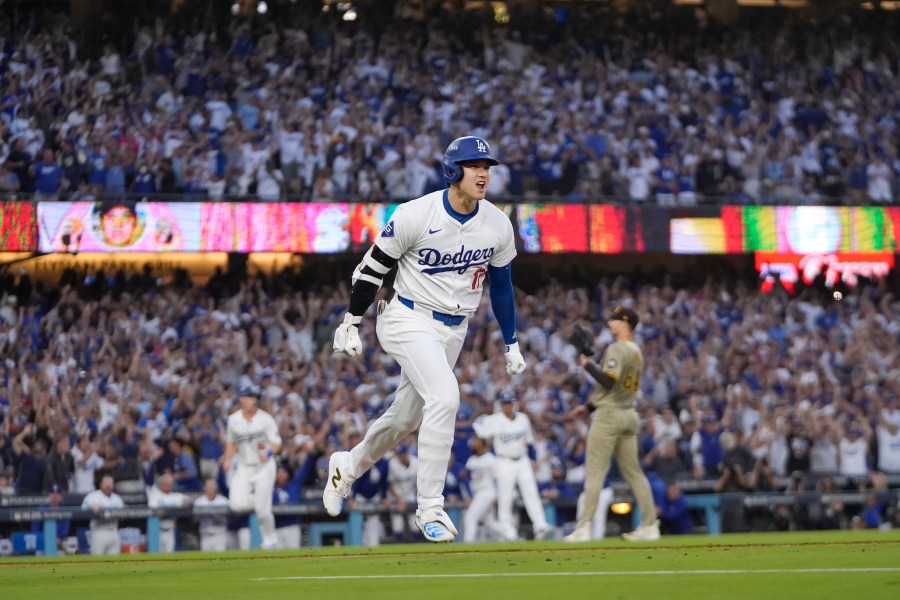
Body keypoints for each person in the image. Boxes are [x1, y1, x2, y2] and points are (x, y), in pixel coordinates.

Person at [325, 136, 524, 543]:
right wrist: (350, 320)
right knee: (446, 397)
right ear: (453, 170)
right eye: (473, 165)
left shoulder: (498, 223)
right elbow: (373, 269)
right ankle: (430, 507)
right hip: (406, 318)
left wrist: (512, 341)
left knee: (404, 420)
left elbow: (502, 286)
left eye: (487, 165)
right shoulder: (417, 214)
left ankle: (347, 466)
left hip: (454, 330)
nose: (483, 172)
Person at [564, 306, 660, 542]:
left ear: (625, 323)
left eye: (615, 318)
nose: (610, 321)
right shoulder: (636, 351)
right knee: (635, 474)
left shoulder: (617, 348)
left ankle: (584, 527)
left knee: (595, 473)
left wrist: (586, 363)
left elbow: (608, 382)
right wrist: (588, 407)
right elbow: (615, 389)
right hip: (628, 413)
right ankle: (650, 526)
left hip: (609, 416)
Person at [473, 390, 554, 541]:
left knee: (531, 493)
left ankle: (540, 526)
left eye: (509, 402)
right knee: (505, 498)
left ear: (514, 403)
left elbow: (529, 442)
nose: (507, 406)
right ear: (501, 404)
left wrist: (534, 460)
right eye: (504, 403)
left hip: (522, 460)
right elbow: (477, 426)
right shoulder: (494, 419)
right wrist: (485, 433)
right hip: (504, 461)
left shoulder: (523, 418)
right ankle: (507, 531)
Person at [221, 385, 282, 549]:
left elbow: (277, 444)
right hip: (243, 466)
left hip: (264, 466)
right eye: (246, 396)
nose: (249, 400)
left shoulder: (265, 419)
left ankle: (270, 540)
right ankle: (261, 501)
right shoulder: (233, 420)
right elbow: (231, 443)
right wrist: (227, 459)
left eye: (252, 397)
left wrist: (268, 454)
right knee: (235, 503)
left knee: (263, 512)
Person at [462, 436, 504, 543]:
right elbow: (466, 476)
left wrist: (498, 496)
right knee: (489, 522)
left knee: (470, 517)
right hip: (478, 493)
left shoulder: (490, 458)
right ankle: (512, 536)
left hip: (487, 492)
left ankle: (468, 544)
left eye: (476, 440)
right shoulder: (472, 459)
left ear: (482, 442)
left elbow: (498, 478)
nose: (473, 442)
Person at [81, 474, 125, 555]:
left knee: (115, 562)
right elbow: (83, 508)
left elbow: (123, 514)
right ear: (100, 484)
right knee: (97, 561)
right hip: (99, 531)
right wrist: (92, 507)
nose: (108, 485)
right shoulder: (93, 496)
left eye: (110, 483)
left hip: (114, 531)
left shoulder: (117, 498)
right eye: (106, 483)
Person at [147, 473, 189, 553]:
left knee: (169, 555)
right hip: (157, 530)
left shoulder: (175, 496)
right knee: (155, 555)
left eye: (169, 483)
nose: (167, 485)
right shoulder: (155, 495)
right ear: (161, 484)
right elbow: (153, 510)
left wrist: (183, 504)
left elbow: (186, 500)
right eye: (165, 483)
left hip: (170, 530)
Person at [193, 478, 230, 552]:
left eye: (212, 487)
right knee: (206, 559)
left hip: (220, 534)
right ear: (204, 488)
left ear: (215, 489)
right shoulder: (199, 502)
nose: (210, 489)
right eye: (208, 487)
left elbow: (230, 516)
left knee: (220, 558)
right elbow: (195, 519)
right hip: (205, 534)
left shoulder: (223, 501)